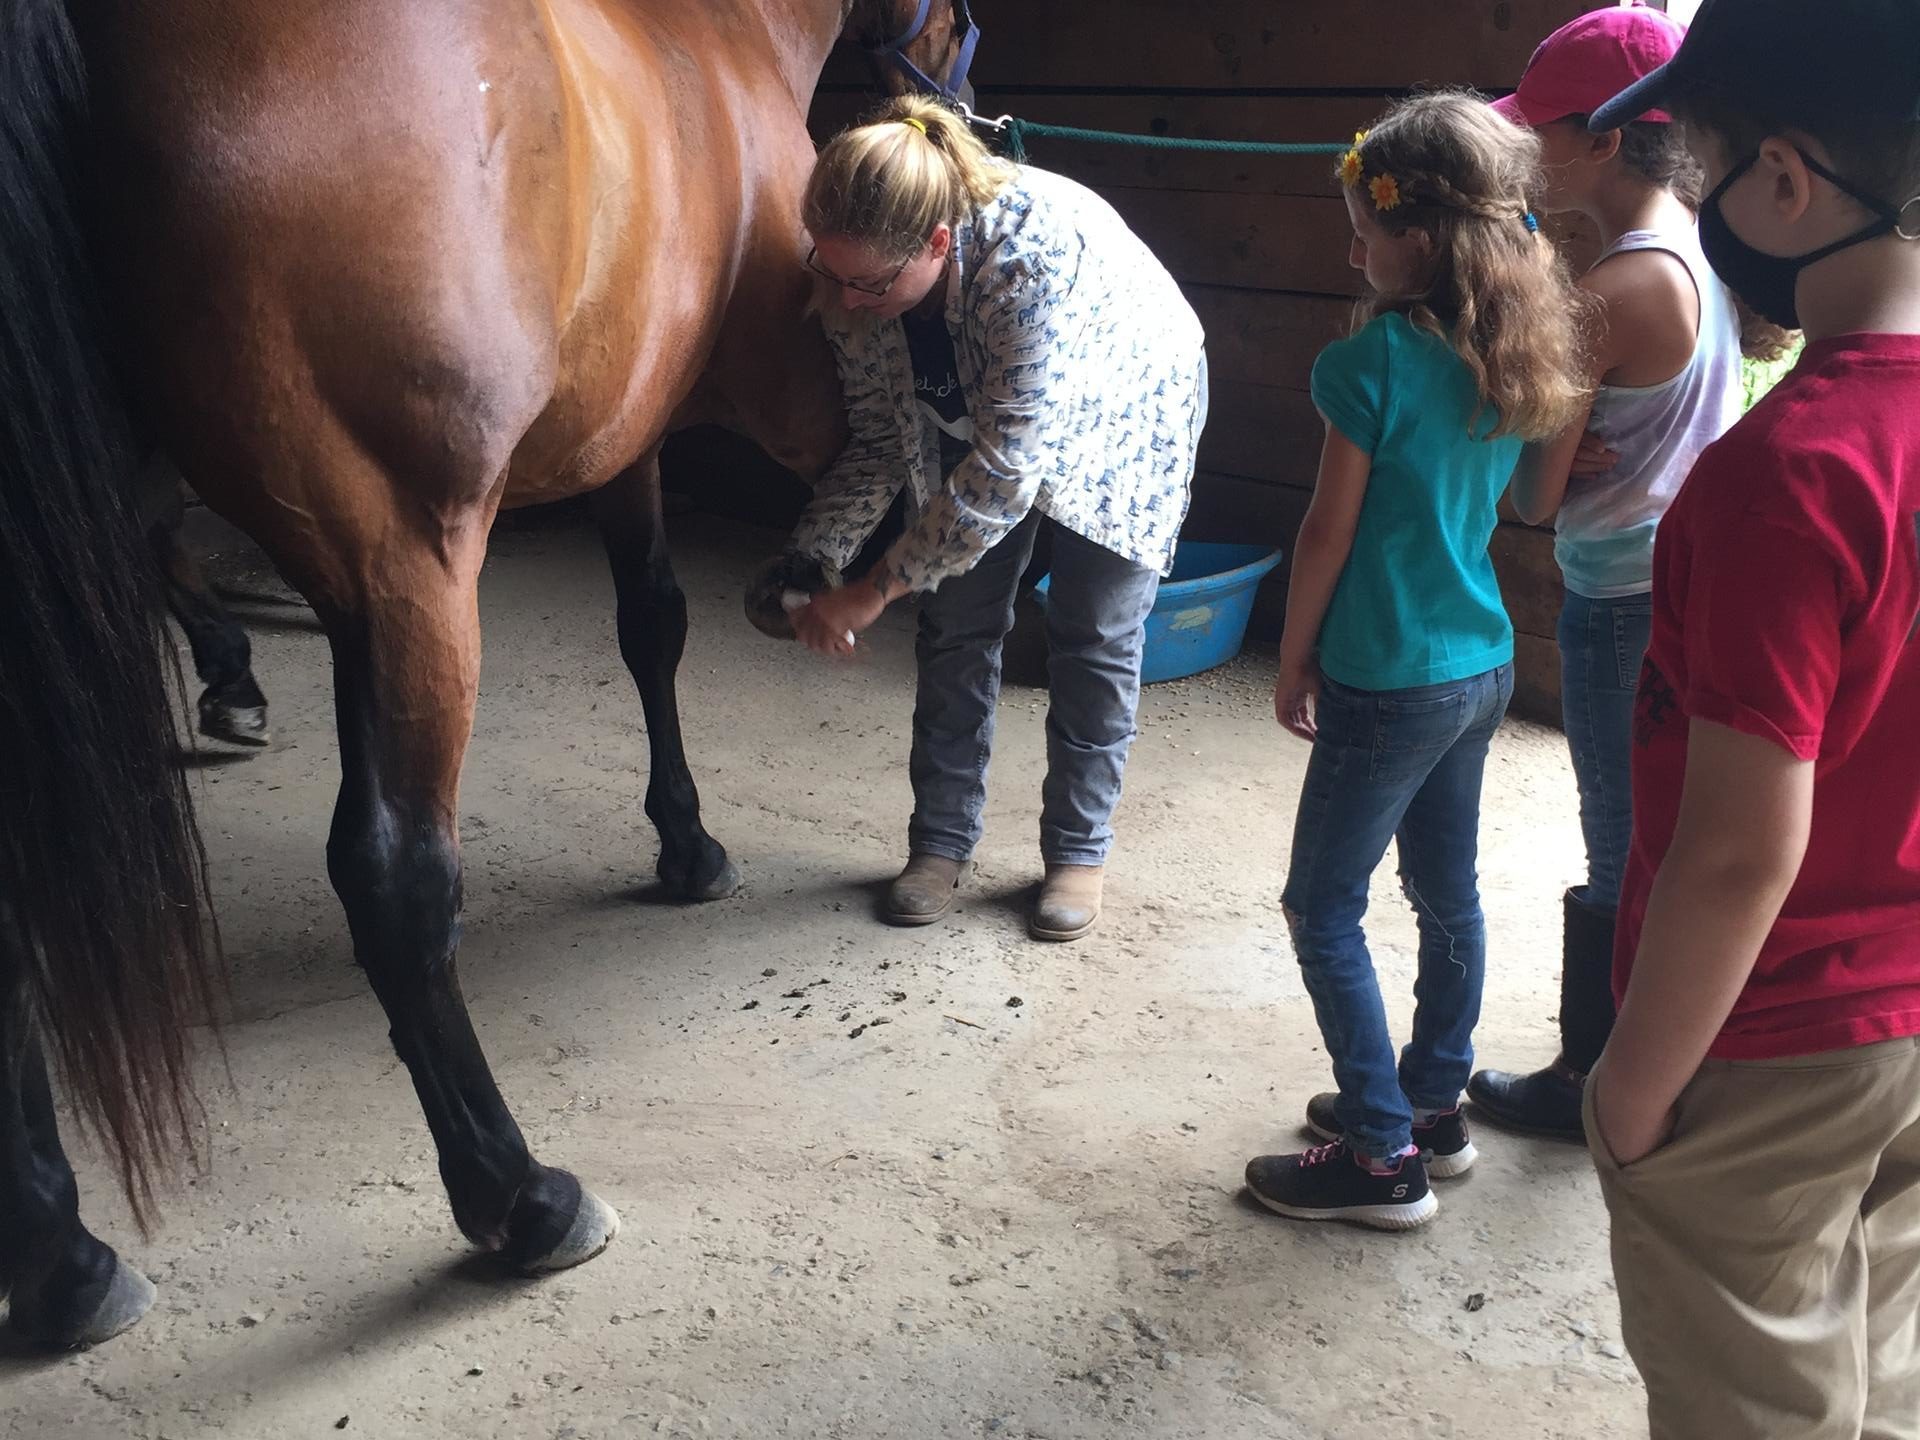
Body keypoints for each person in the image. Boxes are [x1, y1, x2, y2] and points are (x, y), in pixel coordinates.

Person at [1580, 0, 1920, 1430]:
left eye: (1702, 166)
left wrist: (1631, 1095)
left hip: (1772, 1035)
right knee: (1878, 1350)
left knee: (1753, 1400)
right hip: (1910, 1014)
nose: (1697, 198)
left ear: (1783, 183)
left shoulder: (1787, 470)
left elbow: (1736, 854)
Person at [1242, 92, 1589, 1229]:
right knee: (1447, 892)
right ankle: (1433, 1107)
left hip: (1387, 677)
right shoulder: (1516, 352)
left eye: (1363, 227)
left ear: (1421, 237)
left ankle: (1380, 1154)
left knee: (1321, 905)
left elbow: (1326, 535)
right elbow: (1529, 501)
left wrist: (1294, 658)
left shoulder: (1372, 362)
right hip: (1481, 662)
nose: (1352, 248)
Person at [776, 95, 1207, 942]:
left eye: (866, 284)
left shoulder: (1025, 261)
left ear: (936, 244)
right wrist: (813, 558)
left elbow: (1007, 473)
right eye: (830, 274)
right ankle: (938, 843)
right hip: (987, 411)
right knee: (956, 625)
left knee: (1092, 632)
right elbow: (876, 436)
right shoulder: (855, 279)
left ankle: (1077, 852)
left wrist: (873, 590)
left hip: (1127, 398)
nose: (847, 301)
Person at [1465, 1, 1746, 1141]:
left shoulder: (1609, 296)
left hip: (1615, 593)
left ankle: (1601, 1079)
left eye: (1541, 129)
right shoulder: (1704, 246)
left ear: (1609, 138)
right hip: (1674, 572)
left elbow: (1531, 496)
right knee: (1649, 831)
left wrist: (1519, 419)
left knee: (1621, 842)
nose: (1527, 149)